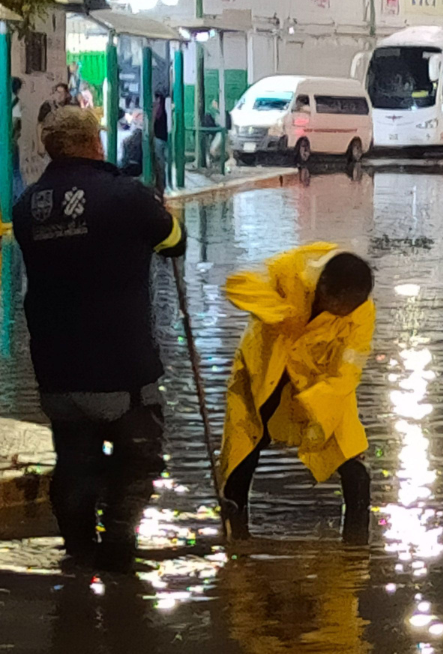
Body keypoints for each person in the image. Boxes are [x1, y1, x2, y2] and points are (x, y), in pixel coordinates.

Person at [12, 107, 187, 571]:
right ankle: (118, 556)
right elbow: (174, 242)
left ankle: (77, 561)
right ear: (95, 142)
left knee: (74, 461)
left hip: (56, 371)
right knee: (139, 460)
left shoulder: (28, 205)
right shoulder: (125, 195)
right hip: (120, 367)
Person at [218, 244, 376, 543]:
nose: (346, 312)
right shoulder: (290, 269)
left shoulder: (361, 310)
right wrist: (280, 313)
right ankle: (234, 537)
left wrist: (316, 404)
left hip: (320, 384)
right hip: (265, 372)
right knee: (243, 451)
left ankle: (356, 547)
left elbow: (349, 369)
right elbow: (238, 286)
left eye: (353, 306)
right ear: (325, 288)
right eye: (341, 305)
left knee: (351, 457)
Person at [153, 92, 168, 191]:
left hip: (159, 138)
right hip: (164, 138)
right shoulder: (165, 109)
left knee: (160, 164)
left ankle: (161, 185)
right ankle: (162, 184)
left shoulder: (157, 109)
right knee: (162, 164)